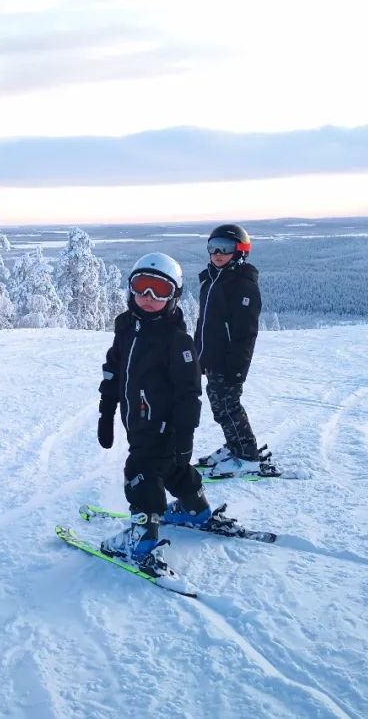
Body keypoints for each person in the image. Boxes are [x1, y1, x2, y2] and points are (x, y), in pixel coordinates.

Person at [96, 253, 213, 569]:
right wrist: (106, 413)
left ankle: (143, 538)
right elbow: (113, 369)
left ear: (173, 296)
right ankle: (196, 510)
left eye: (158, 290)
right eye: (141, 287)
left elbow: (190, 394)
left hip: (163, 426)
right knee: (173, 468)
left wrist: (185, 434)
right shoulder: (126, 326)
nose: (147, 298)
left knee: (141, 472)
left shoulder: (178, 341)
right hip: (137, 422)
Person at [193, 224, 274, 477]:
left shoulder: (242, 285)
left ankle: (247, 456)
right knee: (221, 407)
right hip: (212, 358)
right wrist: (198, 354)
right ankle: (236, 445)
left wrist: (237, 369)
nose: (217, 253)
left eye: (225, 248)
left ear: (240, 251)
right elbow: (205, 324)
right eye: (213, 247)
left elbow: (245, 334)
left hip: (228, 363)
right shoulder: (213, 279)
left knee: (228, 407)